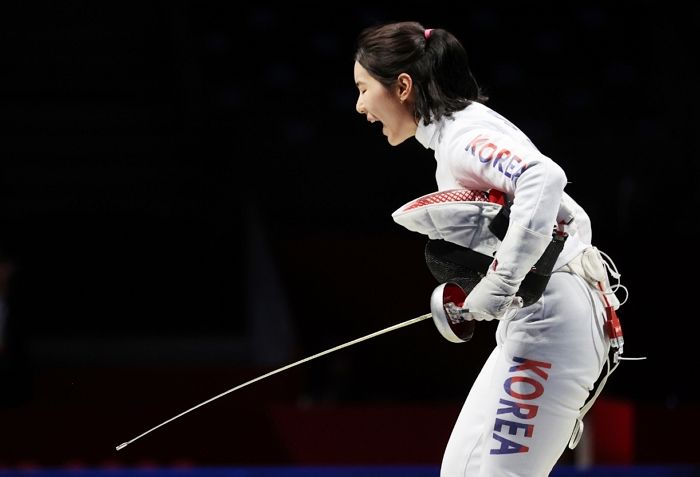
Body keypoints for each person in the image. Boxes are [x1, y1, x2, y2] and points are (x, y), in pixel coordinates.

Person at [353, 21, 629, 476]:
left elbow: (544, 178)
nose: (361, 105)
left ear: (402, 86)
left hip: (553, 323)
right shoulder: (457, 133)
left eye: (364, 89)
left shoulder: (461, 139)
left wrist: (500, 282)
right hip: (535, 320)